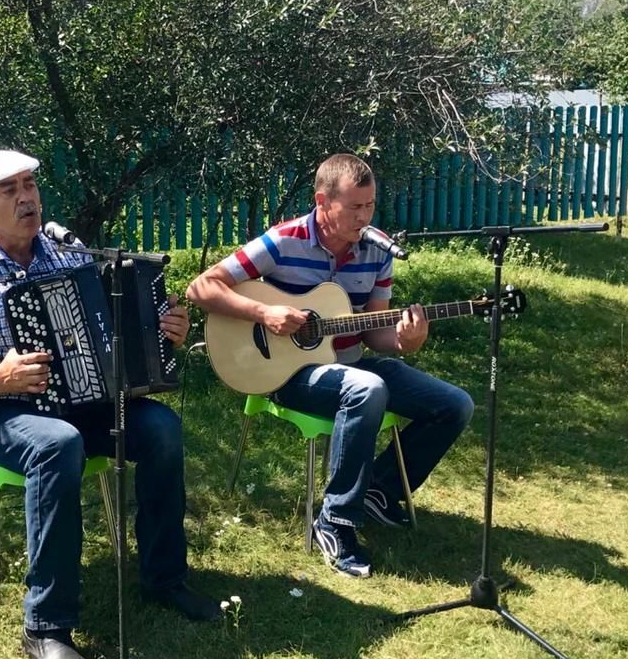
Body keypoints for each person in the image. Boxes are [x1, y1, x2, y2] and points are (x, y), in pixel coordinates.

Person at [0, 149, 220, 659]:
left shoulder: (66, 254)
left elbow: (113, 326)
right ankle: (46, 626)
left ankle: (164, 578)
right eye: (10, 189)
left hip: (80, 401)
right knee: (57, 445)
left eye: (29, 184)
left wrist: (163, 330)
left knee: (161, 428)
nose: (26, 197)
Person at [187, 152, 474, 578]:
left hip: (350, 364)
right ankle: (336, 521)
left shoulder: (377, 252)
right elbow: (200, 287)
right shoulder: (283, 240)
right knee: (367, 389)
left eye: (371, 204)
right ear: (322, 202)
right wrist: (264, 314)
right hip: (287, 373)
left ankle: (379, 491)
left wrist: (404, 340)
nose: (366, 216)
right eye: (355, 207)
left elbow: (376, 331)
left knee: (456, 404)